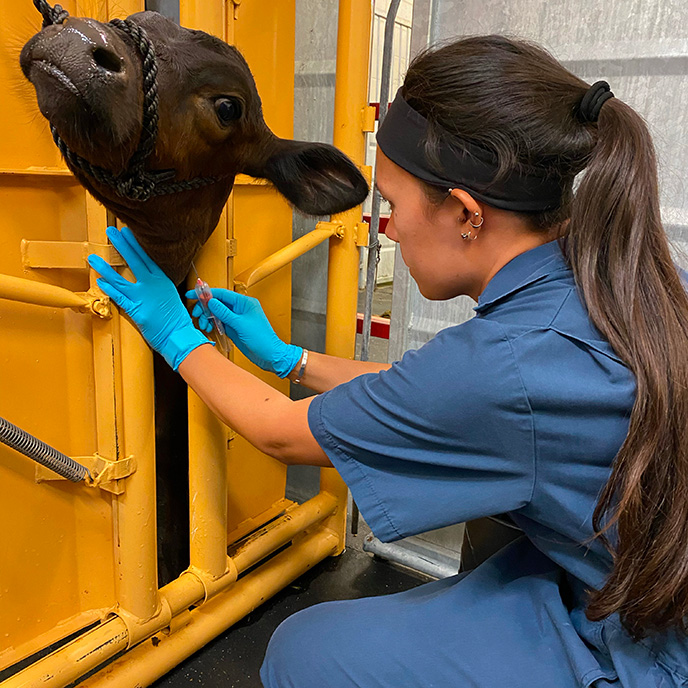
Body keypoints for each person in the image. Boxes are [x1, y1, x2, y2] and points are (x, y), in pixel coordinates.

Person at [89, 35, 688, 688]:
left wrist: (177, 335)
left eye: (396, 206)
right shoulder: (615, 273)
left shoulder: (507, 363)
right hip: (630, 579)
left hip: (647, 648)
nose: (390, 230)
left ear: (466, 213)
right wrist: (292, 358)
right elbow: (440, 400)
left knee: (304, 653)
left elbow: (280, 432)